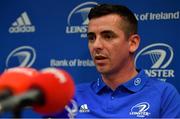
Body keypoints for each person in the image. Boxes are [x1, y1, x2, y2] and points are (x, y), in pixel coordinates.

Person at [47, 3, 180, 118]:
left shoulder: (164, 95)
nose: (96, 45)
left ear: (133, 43)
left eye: (108, 36)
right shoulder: (73, 96)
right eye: (92, 37)